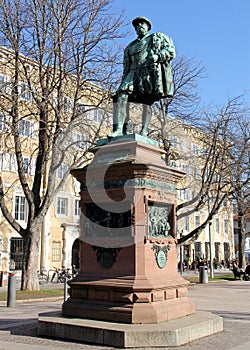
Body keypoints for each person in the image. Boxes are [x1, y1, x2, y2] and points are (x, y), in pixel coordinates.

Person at [108, 16, 176, 138]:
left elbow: (171, 51)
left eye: (142, 24)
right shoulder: (130, 46)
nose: (139, 26)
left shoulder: (156, 38)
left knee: (147, 102)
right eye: (137, 25)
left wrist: (158, 56)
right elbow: (126, 66)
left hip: (148, 73)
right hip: (132, 73)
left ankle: (144, 131)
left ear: (147, 27)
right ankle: (119, 129)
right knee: (122, 95)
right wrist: (124, 79)